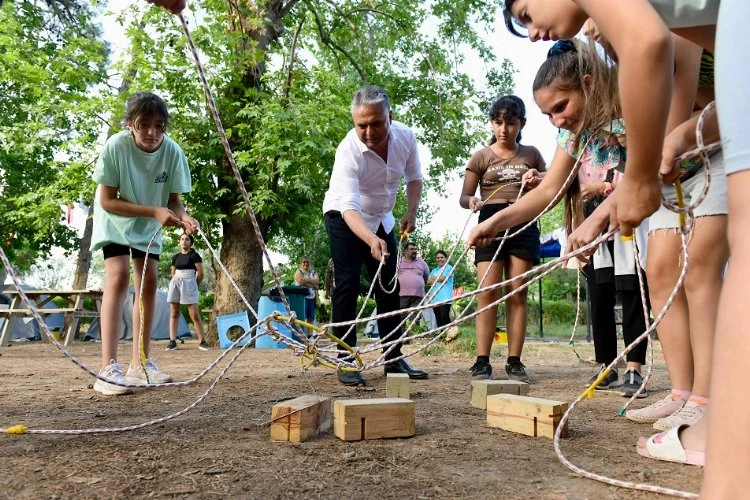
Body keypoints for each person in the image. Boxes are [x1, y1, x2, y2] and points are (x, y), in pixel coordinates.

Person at [500, 0, 750, 490]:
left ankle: (713, 419)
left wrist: (645, 167)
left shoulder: (621, 39)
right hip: (698, 135)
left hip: (704, 156)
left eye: (525, 12)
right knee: (675, 269)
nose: (530, 32)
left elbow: (656, 46)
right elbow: (713, 54)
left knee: (716, 263)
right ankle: (701, 408)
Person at [534, 40, 651, 397]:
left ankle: (634, 367)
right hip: (590, 215)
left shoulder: (624, 111)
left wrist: (605, 185)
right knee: (599, 289)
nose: (558, 120)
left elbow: (642, 163)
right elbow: (553, 185)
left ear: (587, 82)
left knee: (632, 286)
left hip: (628, 210)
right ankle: (607, 365)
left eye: (561, 107)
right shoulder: (572, 134)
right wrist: (497, 221)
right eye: (549, 115)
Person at [91, 92, 198, 395]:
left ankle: (140, 363)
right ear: (130, 124)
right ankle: (108, 369)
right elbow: (107, 200)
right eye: (144, 125)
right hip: (115, 218)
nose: (152, 133)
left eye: (159, 126)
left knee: (149, 281)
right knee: (119, 277)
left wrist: (186, 217)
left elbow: (174, 202)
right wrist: (153, 210)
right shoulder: (116, 147)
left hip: (149, 224)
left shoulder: (173, 152)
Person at [323, 85, 428, 386]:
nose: (369, 131)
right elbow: (349, 207)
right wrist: (370, 239)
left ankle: (393, 359)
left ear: (390, 117)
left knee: (388, 286)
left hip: (384, 217)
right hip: (345, 218)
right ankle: (345, 359)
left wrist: (411, 211)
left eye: (376, 123)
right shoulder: (348, 151)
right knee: (347, 283)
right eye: (361, 125)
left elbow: (415, 177)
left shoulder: (406, 137)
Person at [460, 95, 546, 382]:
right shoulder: (481, 156)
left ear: (522, 123)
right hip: (490, 224)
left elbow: (551, 179)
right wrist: (472, 201)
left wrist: (538, 176)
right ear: (492, 123)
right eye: (498, 122)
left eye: (510, 123)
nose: (504, 129)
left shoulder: (531, 153)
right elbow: (464, 196)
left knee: (518, 291)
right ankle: (482, 360)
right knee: (487, 291)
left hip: (524, 221)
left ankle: (514, 360)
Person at [166, 232, 208, 351]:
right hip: (176, 282)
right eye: (182, 239)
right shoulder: (176, 257)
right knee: (174, 313)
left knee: (194, 314)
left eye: (187, 239)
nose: (184, 241)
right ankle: (172, 341)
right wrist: (175, 283)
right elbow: (173, 272)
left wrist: (195, 285)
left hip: (189, 282)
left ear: (191, 243)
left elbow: (200, 274)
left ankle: (202, 341)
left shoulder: (194, 256)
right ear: (179, 242)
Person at [397, 242, 430, 322]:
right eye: (412, 249)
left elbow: (426, 277)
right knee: (400, 319)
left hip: (417, 297)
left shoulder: (422, 263)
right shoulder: (398, 262)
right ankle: (402, 335)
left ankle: (413, 335)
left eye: (415, 249)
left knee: (414, 320)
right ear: (405, 251)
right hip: (401, 296)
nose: (414, 251)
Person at [427, 250, 454, 328]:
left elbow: (442, 278)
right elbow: (428, 281)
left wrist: (434, 278)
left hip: (445, 298)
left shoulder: (449, 267)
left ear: (446, 258)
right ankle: (442, 337)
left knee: (444, 318)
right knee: (438, 319)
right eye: (438, 258)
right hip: (434, 298)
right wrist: (438, 278)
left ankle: (451, 334)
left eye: (442, 257)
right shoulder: (434, 270)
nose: (440, 259)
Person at [293, 256, 319, 328]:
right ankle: (302, 335)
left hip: (312, 297)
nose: (306, 264)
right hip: (301, 298)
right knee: (301, 317)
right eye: (304, 262)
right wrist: (313, 285)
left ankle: (309, 335)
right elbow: (301, 282)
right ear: (301, 263)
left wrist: (306, 279)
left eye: (307, 262)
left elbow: (317, 281)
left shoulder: (313, 272)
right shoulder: (298, 271)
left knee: (310, 317)